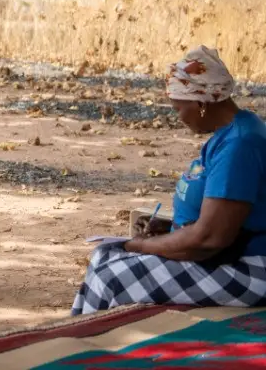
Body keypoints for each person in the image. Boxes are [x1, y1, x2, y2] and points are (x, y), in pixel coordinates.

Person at [73, 46, 266, 314]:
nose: (178, 118)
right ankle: (77, 335)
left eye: (178, 109)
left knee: (112, 278)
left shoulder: (240, 145)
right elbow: (223, 218)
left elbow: (209, 239)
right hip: (227, 256)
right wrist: (171, 227)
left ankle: (82, 347)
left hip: (250, 269)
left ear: (200, 104)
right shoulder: (232, 135)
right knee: (103, 256)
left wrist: (140, 245)